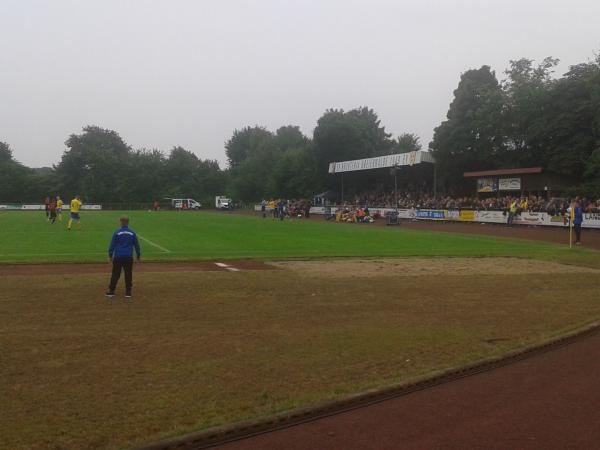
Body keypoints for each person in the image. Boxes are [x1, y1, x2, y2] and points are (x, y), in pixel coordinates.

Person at [106, 216, 141, 299]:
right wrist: (138, 256)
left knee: (115, 274)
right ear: (128, 222)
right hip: (128, 257)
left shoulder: (116, 232)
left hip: (118, 256)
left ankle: (111, 291)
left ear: (121, 222)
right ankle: (128, 292)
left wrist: (110, 256)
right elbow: (137, 245)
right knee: (128, 274)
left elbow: (112, 246)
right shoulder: (132, 233)